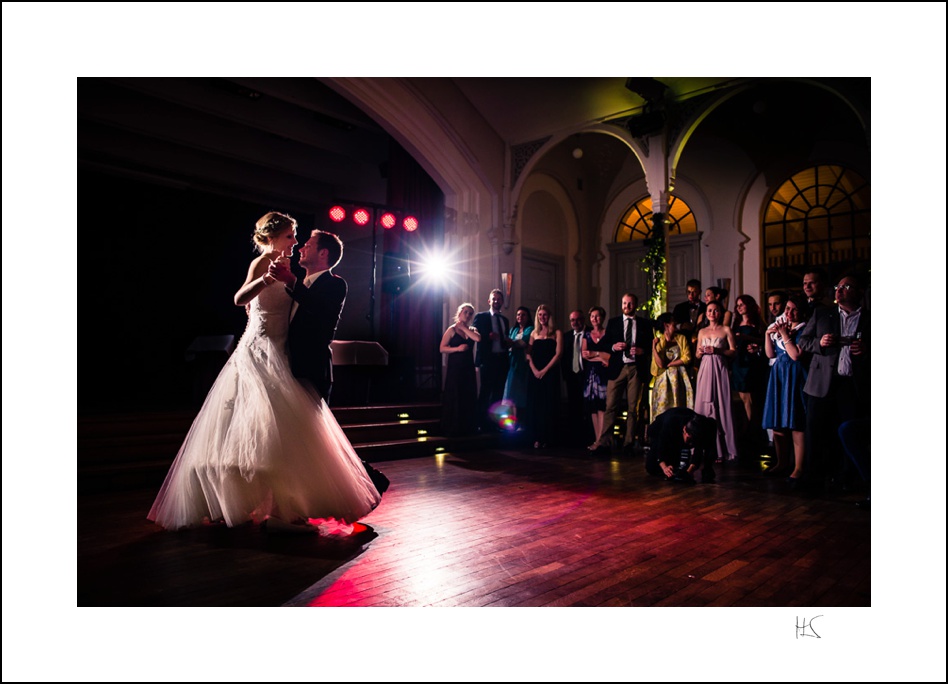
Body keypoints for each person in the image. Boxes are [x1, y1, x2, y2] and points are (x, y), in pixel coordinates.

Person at [148, 213, 381, 532]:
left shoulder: (313, 280)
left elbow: (308, 307)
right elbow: (241, 298)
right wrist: (267, 281)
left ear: (323, 253)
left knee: (287, 436)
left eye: (302, 240)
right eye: (291, 237)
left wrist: (285, 281)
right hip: (260, 350)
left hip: (289, 359)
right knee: (258, 432)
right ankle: (238, 501)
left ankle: (290, 504)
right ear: (274, 237)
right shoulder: (267, 266)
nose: (297, 244)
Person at [797, 273, 870, 490]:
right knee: (816, 433)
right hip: (821, 383)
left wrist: (867, 350)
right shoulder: (823, 314)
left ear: (858, 292)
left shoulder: (870, 319)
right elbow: (803, 341)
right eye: (838, 285)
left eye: (847, 286)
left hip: (852, 385)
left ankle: (848, 480)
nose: (840, 289)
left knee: (847, 434)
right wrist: (819, 342)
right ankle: (813, 480)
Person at [761, 295, 810, 481]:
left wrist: (784, 334)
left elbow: (796, 355)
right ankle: (781, 462)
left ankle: (798, 466)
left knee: (796, 422)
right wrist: (768, 335)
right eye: (787, 309)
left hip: (795, 375)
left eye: (793, 309)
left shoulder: (804, 328)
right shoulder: (783, 326)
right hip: (778, 375)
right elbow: (770, 354)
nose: (789, 313)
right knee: (778, 422)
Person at [600, 292, 652, 454]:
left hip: (636, 368)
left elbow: (651, 345)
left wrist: (643, 350)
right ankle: (605, 441)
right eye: (624, 303)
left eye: (629, 304)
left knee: (633, 408)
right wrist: (614, 347)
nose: (626, 307)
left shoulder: (644, 323)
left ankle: (629, 443)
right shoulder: (613, 322)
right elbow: (605, 343)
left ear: (635, 305)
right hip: (617, 368)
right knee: (610, 406)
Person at [694, 300, 738, 463]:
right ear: (706, 313)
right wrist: (700, 352)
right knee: (704, 406)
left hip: (720, 368)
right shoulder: (702, 331)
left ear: (721, 312)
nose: (713, 313)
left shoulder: (726, 330)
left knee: (721, 404)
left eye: (716, 310)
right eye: (710, 310)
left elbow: (733, 352)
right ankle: (704, 448)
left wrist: (718, 350)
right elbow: (697, 355)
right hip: (705, 368)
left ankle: (724, 449)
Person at [731, 294, 768, 460]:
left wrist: (748, 339)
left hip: (752, 363)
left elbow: (765, 340)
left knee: (751, 400)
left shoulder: (758, 323)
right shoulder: (735, 323)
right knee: (740, 399)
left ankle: (751, 432)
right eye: (737, 304)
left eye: (742, 304)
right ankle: (743, 432)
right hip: (738, 363)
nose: (739, 307)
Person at [439, 303, 481, 437]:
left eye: (470, 313)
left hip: (468, 367)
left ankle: (467, 427)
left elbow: (478, 338)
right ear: (459, 313)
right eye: (466, 312)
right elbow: (442, 348)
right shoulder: (451, 329)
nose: (468, 315)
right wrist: (457, 349)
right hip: (455, 368)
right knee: (455, 394)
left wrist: (464, 327)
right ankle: (453, 428)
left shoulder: (472, 329)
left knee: (468, 394)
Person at [645, 408, 718, 484]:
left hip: (679, 432)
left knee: (681, 469)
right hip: (658, 430)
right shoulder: (670, 423)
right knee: (652, 468)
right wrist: (665, 467)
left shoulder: (705, 425)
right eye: (689, 440)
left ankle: (708, 469)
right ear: (684, 429)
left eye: (693, 442)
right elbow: (661, 446)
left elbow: (698, 450)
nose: (691, 444)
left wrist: (690, 471)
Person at [525, 304, 563, 448]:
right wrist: (535, 370)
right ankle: (536, 438)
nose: (542, 317)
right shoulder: (534, 333)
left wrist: (545, 370)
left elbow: (558, 354)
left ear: (549, 316)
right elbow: (528, 354)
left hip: (550, 373)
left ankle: (548, 438)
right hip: (535, 373)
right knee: (536, 405)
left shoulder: (557, 332)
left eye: (544, 315)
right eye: (539, 315)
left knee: (549, 404)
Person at [473, 289, 511, 431]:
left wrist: (507, 341)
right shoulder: (481, 317)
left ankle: (494, 424)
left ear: (502, 302)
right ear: (489, 301)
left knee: (498, 393)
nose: (496, 301)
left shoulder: (505, 320)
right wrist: (486, 336)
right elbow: (474, 333)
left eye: (499, 299)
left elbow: (504, 337)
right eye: (494, 299)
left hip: (502, 360)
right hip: (487, 360)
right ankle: (481, 424)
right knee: (485, 392)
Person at [650, 312, 694, 420]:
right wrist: (654, 348)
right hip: (664, 379)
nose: (675, 323)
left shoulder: (681, 338)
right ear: (666, 325)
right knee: (663, 408)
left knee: (679, 406)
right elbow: (659, 364)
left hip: (679, 377)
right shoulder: (659, 341)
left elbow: (687, 357)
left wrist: (671, 364)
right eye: (672, 321)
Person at [582, 306, 611, 451]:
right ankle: (597, 439)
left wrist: (595, 353)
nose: (594, 319)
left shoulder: (608, 333)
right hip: (591, 375)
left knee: (603, 407)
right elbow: (585, 355)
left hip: (604, 374)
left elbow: (610, 356)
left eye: (597, 316)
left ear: (603, 317)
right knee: (593, 408)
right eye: (592, 316)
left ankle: (602, 440)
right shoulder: (586, 335)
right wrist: (600, 356)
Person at [562, 309, 593, 447]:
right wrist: (566, 376)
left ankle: (590, 437)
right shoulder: (566, 336)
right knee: (574, 407)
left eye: (578, 319)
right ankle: (575, 439)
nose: (575, 322)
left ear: (584, 319)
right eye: (572, 320)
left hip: (588, 375)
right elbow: (564, 358)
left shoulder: (591, 333)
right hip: (572, 377)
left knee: (588, 407)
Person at [503, 306, 533, 430]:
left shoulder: (530, 329)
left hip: (522, 364)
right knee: (511, 393)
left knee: (521, 394)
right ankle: (512, 423)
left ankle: (521, 422)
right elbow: (509, 343)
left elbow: (523, 343)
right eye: (518, 315)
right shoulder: (514, 329)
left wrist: (511, 342)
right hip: (512, 363)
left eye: (523, 315)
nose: (520, 317)